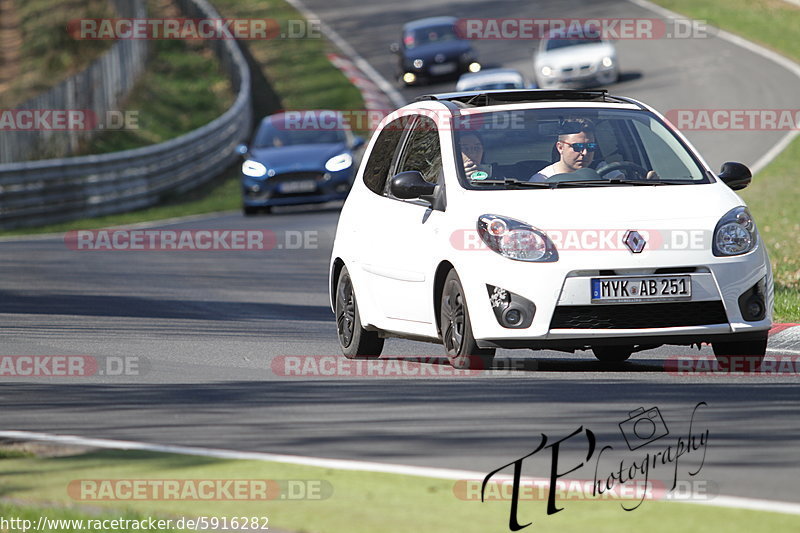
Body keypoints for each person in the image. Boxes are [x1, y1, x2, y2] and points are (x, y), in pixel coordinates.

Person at [530, 118, 598, 182]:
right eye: (577, 147)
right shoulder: (541, 180)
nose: (585, 152)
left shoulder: (604, 175)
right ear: (560, 147)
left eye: (591, 146)